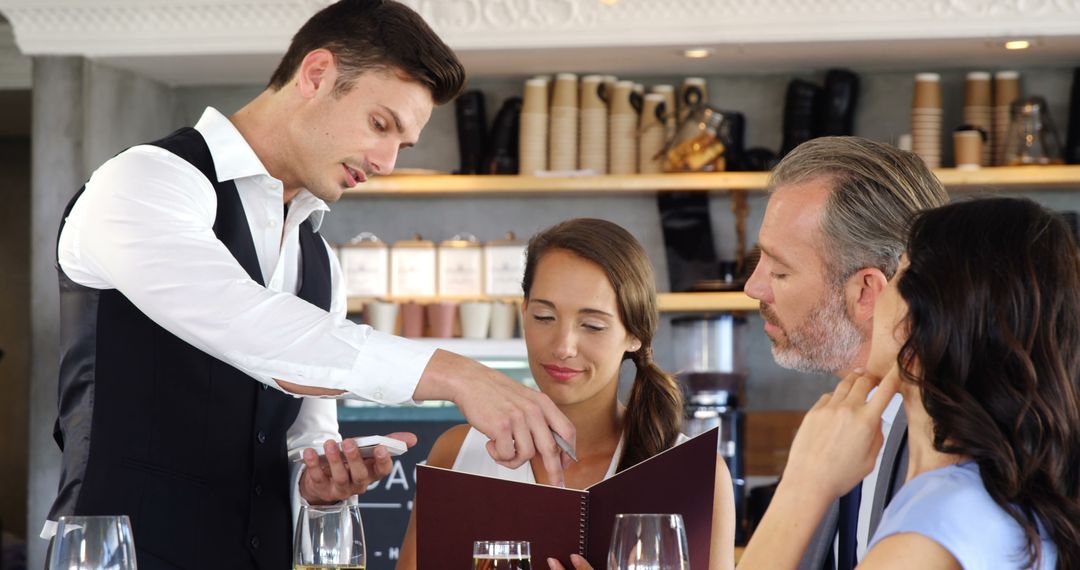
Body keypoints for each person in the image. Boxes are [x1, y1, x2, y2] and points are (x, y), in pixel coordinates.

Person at [47, 1, 574, 568]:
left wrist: (315, 482)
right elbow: (246, 323)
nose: (387, 162)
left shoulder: (320, 260)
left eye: (403, 144)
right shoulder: (144, 180)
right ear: (317, 74)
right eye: (381, 125)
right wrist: (456, 374)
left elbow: (301, 435)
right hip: (118, 555)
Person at [739, 197, 1080, 568]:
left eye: (901, 273)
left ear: (923, 327)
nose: (878, 292)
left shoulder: (928, 537)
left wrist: (804, 486)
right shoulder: (997, 501)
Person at [396, 218, 737, 570]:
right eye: (544, 317)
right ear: (524, 312)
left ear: (635, 335)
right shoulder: (456, 456)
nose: (562, 347)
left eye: (592, 325)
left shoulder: (697, 475)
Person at [742, 136, 948, 569]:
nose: (753, 288)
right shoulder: (839, 420)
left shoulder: (949, 449)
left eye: (779, 270)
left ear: (866, 292)